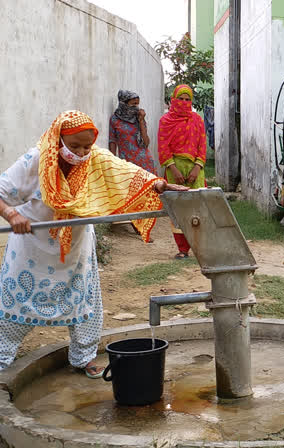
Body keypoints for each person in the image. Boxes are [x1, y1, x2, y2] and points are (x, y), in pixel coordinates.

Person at [0, 111, 187, 375]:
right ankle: (1, 359)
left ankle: (83, 357)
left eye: (86, 146)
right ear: (58, 138)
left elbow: (125, 172)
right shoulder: (37, 159)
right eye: (73, 145)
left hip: (75, 248)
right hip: (32, 245)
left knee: (85, 304)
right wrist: (11, 214)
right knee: (14, 307)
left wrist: (158, 185)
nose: (80, 152)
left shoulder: (95, 159)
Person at [158, 84, 207, 259]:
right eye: (181, 99)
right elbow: (163, 146)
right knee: (178, 209)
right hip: (174, 168)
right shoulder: (165, 121)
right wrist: (173, 169)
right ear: (174, 99)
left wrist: (197, 167)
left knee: (197, 207)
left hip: (196, 168)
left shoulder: (197, 120)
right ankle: (183, 249)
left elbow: (202, 145)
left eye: (188, 100)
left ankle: (200, 248)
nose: (184, 102)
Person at [108, 90, 157, 174]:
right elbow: (112, 141)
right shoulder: (114, 119)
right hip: (127, 165)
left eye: (137, 104)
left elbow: (146, 143)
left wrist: (141, 121)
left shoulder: (138, 118)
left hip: (145, 164)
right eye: (133, 104)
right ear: (124, 104)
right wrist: (112, 163)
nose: (136, 107)